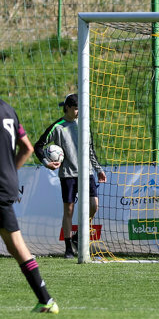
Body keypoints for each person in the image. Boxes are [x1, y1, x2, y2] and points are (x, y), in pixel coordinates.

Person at [0, 62, 58, 313]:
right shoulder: (8, 110)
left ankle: (46, 299)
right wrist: (10, 171)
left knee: (16, 246)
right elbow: (27, 147)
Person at [36, 93, 107, 258]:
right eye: (76, 108)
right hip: (68, 174)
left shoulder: (84, 124)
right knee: (69, 210)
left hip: (87, 172)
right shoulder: (57, 127)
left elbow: (90, 150)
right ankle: (68, 248)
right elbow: (38, 146)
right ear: (67, 108)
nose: (78, 112)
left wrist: (98, 169)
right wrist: (47, 162)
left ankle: (78, 236)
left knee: (94, 205)